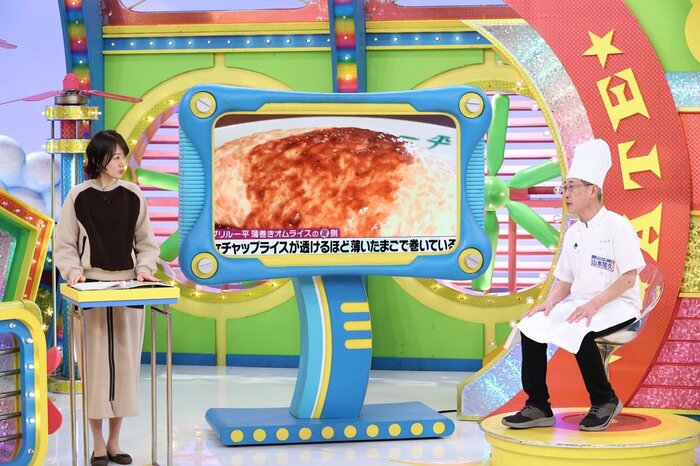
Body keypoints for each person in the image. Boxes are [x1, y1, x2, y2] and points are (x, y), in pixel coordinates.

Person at [502, 139, 645, 432]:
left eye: (571, 187)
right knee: (531, 325)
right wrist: (550, 303)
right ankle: (538, 405)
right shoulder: (573, 233)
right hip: (580, 304)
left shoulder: (618, 226)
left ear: (593, 190)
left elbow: (629, 277)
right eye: (564, 188)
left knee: (581, 329)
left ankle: (604, 400)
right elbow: (565, 280)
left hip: (619, 306)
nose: (565, 194)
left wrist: (594, 304)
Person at [55, 130, 160, 465]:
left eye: (123, 156)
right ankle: (97, 443)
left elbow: (146, 243)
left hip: (128, 289)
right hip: (91, 292)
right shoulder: (77, 196)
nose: (121, 162)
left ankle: (115, 442)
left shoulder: (133, 195)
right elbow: (65, 244)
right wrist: (73, 271)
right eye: (115, 157)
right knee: (96, 370)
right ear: (98, 159)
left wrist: (144, 269)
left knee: (125, 369)